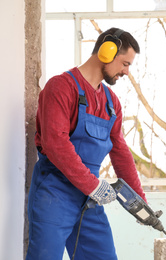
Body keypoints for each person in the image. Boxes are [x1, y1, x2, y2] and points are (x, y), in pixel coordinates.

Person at [26, 27, 146, 260]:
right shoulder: (61, 87)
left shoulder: (111, 102)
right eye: (124, 63)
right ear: (106, 51)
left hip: (90, 199)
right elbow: (55, 143)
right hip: (55, 192)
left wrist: (140, 203)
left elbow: (120, 152)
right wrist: (92, 185)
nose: (126, 72)